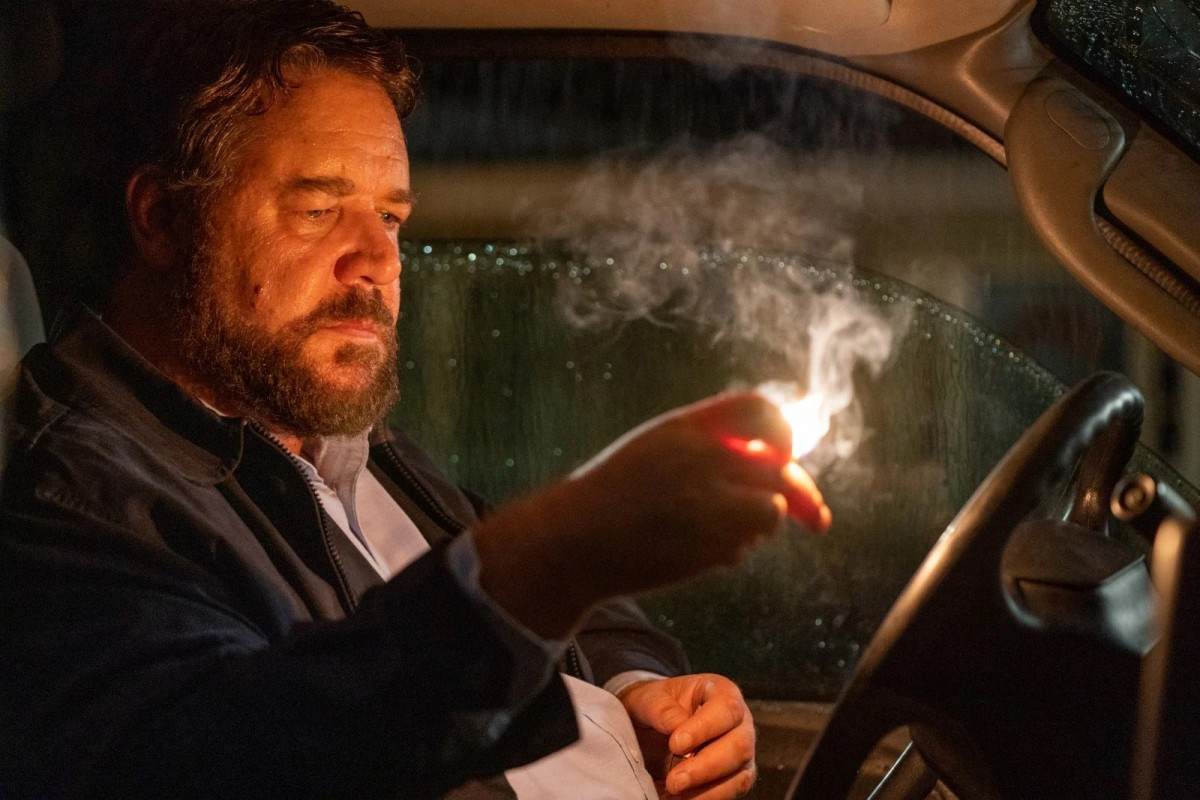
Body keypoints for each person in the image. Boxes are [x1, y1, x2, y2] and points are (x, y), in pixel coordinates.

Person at [0, 1, 831, 798]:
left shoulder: (347, 449)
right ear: (162, 220)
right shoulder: (82, 501)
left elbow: (558, 613)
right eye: (319, 208)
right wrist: (561, 552)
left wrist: (639, 688)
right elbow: (235, 760)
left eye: (391, 218)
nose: (379, 260)